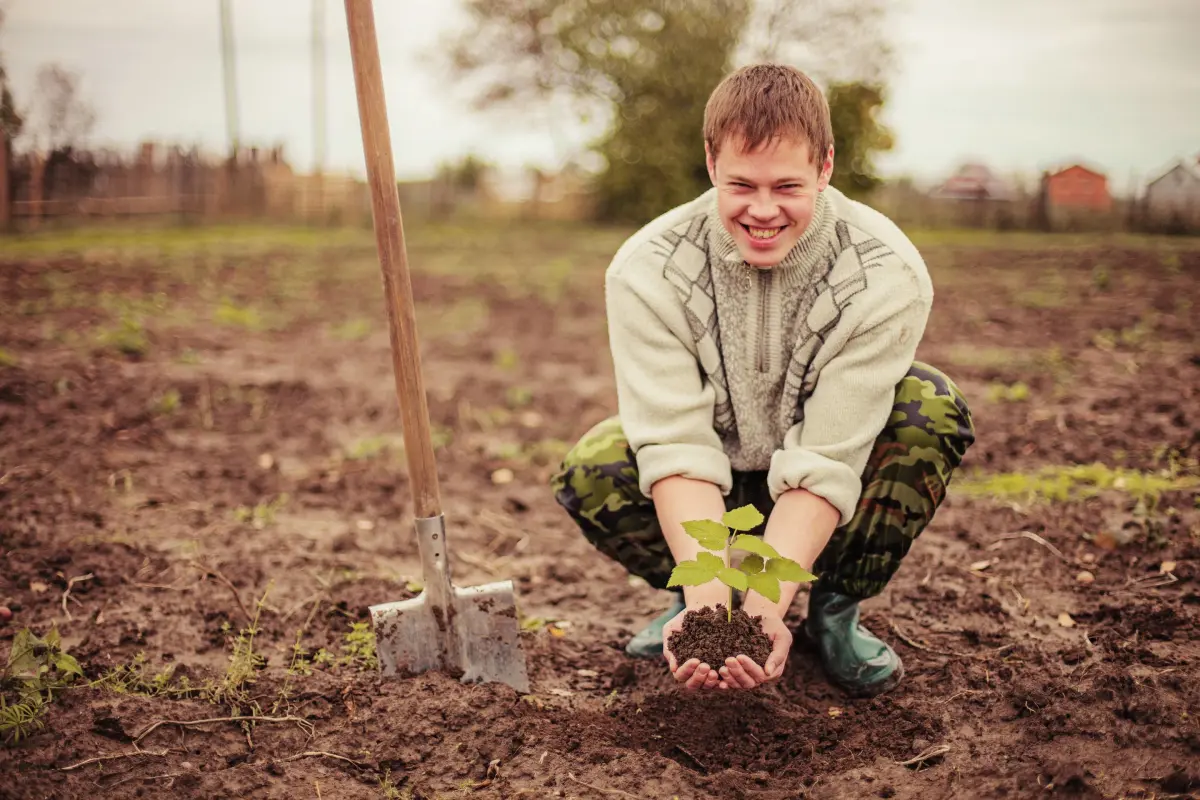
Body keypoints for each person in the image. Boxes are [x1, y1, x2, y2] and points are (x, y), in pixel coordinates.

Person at [550, 63, 975, 697]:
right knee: (596, 464)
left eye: (789, 186)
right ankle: (688, 603)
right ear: (710, 162)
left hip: (823, 483)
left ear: (826, 167)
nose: (764, 210)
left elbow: (829, 458)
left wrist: (765, 611)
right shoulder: (647, 270)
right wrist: (712, 614)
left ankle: (833, 612)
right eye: (741, 184)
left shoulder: (888, 276)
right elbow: (677, 450)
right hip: (717, 488)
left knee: (928, 410)